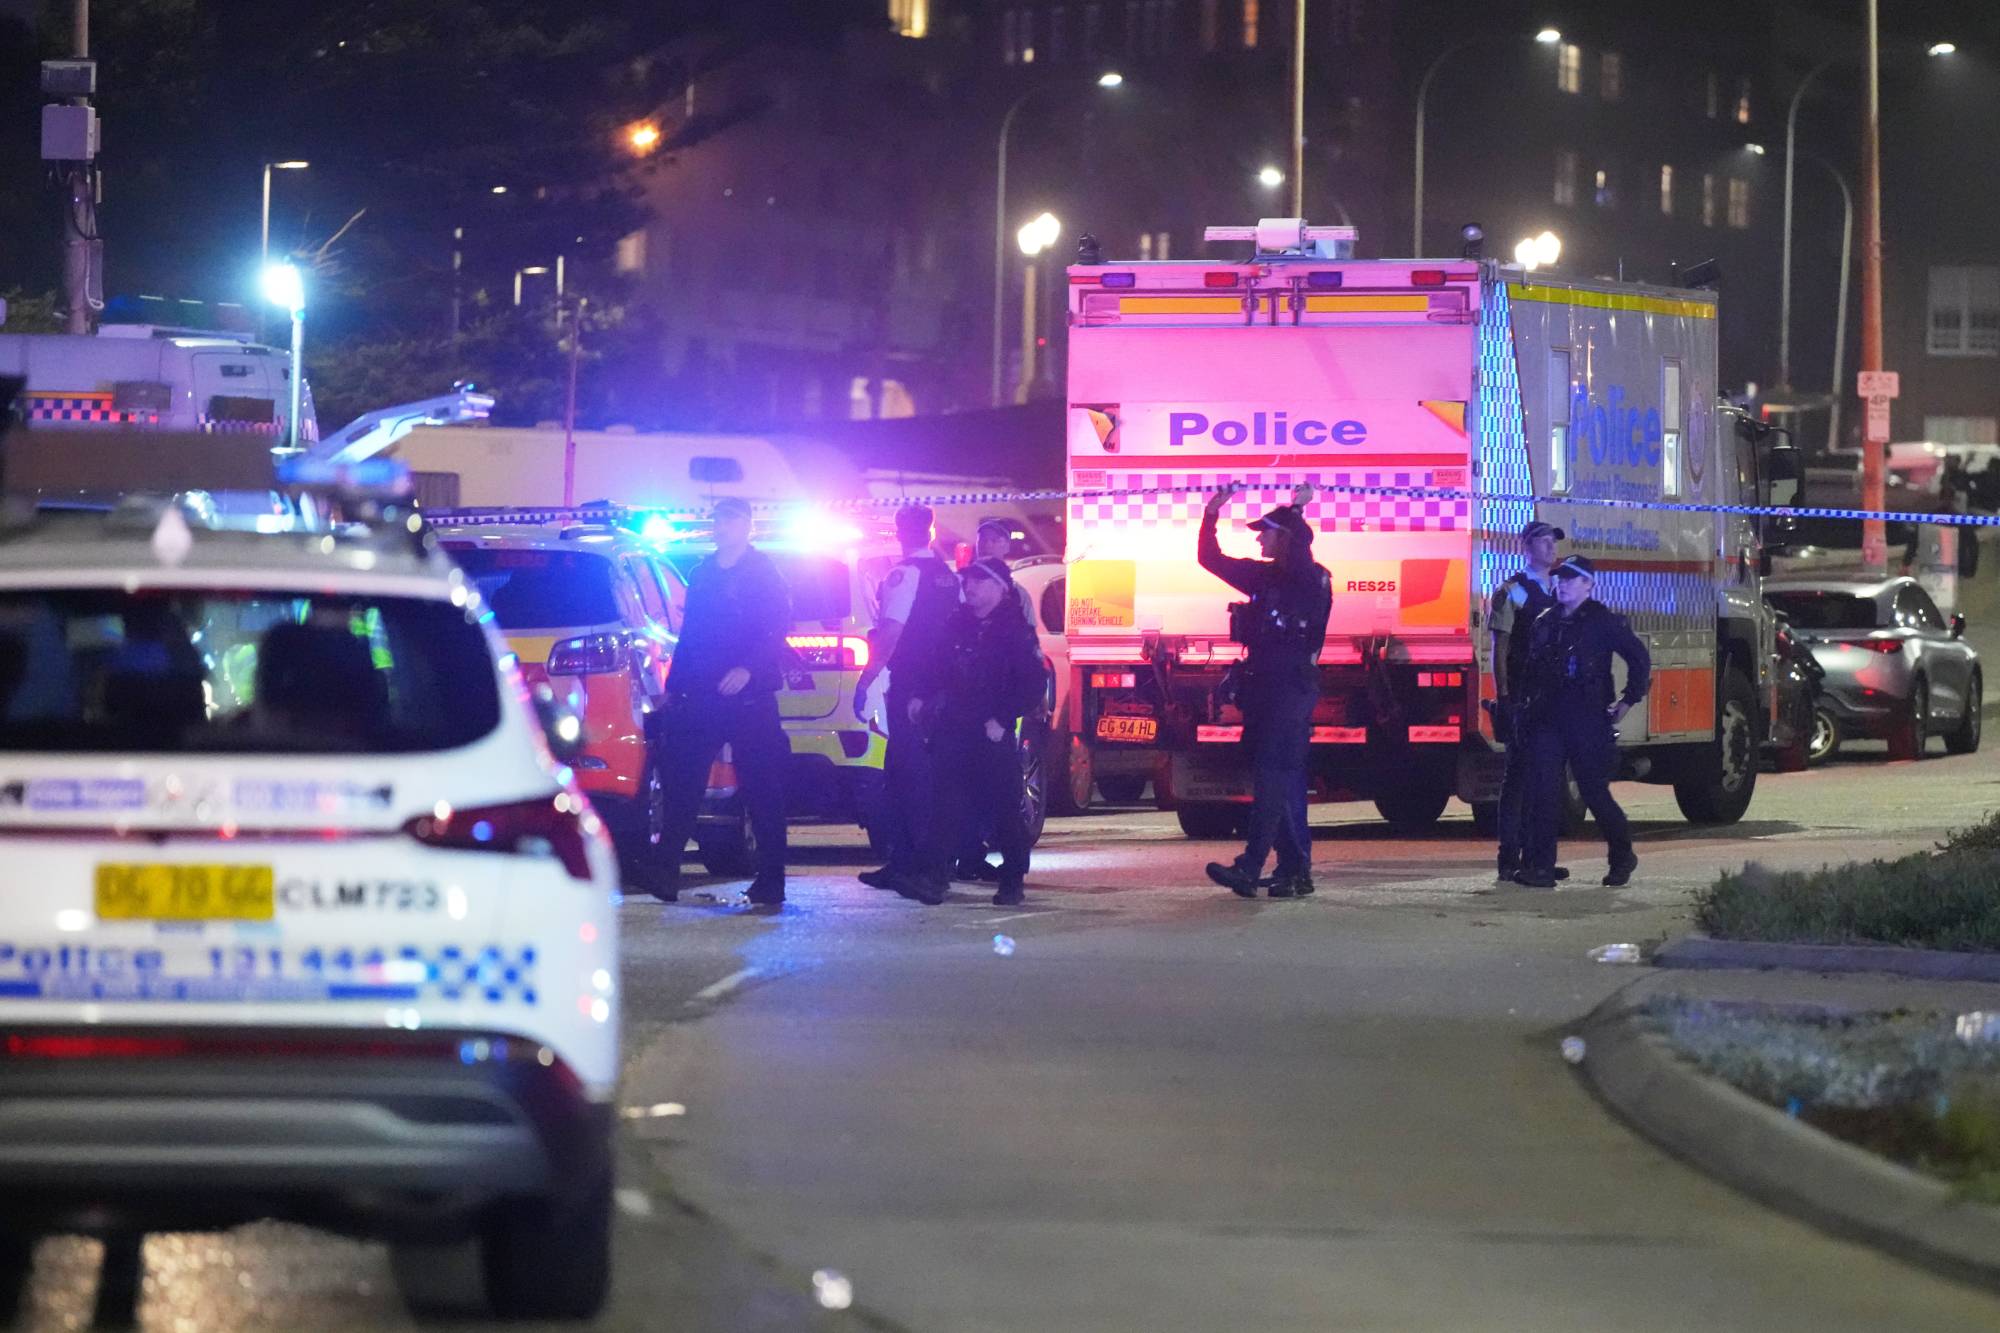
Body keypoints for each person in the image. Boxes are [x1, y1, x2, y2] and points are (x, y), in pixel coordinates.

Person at [655, 497, 793, 911]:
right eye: (717, 519)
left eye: (729, 520)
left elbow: (776, 630)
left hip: (750, 697)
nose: (721, 526)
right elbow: (691, 634)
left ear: (748, 525)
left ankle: (771, 881)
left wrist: (749, 669)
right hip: (702, 693)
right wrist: (674, 685)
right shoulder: (703, 573)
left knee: (763, 788)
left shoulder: (765, 572)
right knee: (683, 782)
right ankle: (665, 873)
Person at [1196, 481, 1332, 899]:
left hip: (1290, 690)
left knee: (1274, 778)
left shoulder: (1310, 580)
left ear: (1286, 538)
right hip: (1264, 690)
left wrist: (1297, 511)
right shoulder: (1264, 575)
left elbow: (1300, 556)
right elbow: (1209, 558)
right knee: (1276, 781)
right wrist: (1211, 513)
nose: (1258, 539)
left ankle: (1251, 866)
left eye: (1266, 533)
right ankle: (1294, 870)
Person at [898, 558, 1047, 906]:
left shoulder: (1015, 632)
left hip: (990, 732)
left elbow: (1032, 683)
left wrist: (1003, 718)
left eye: (979, 582)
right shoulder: (956, 625)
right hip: (953, 727)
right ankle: (934, 878)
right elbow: (933, 667)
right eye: (968, 582)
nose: (970, 588)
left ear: (1000, 588)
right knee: (946, 804)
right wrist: (919, 697)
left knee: (1004, 808)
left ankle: (1012, 880)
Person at [1515, 555, 1650, 890]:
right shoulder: (1546, 620)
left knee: (1593, 792)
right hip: (1548, 718)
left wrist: (1628, 701)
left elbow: (1638, 658)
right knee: (1544, 792)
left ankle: (1622, 856)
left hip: (1587, 719)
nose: (1563, 584)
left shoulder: (1602, 621)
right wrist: (1522, 710)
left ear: (1588, 584)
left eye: (1571, 579)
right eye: (1560, 578)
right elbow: (1530, 670)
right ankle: (1542, 867)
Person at [855, 505, 963, 891]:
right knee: (922, 775)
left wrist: (866, 680)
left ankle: (918, 867)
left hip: (911, 685)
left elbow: (890, 633)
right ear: (930, 533)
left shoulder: (904, 574)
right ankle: (907, 863)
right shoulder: (949, 577)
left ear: (901, 533)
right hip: (943, 688)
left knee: (907, 776)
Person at [954, 516, 1043, 882]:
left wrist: (1008, 714)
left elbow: (1029, 662)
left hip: (1000, 716)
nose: (988, 544)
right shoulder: (965, 595)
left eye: (995, 539)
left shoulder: (1013, 599)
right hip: (967, 716)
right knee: (964, 793)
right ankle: (969, 858)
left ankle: (1013, 871)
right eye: (983, 538)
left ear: (1006, 546)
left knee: (1003, 793)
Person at [1487, 521, 1565, 883]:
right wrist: (1504, 696)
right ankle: (1509, 858)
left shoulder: (1559, 589)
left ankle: (1537, 858)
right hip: (1521, 696)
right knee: (1518, 778)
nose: (1551, 548)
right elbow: (1500, 648)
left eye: (1553, 542)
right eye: (1543, 542)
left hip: (1550, 697)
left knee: (1544, 779)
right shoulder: (1513, 591)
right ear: (1527, 548)